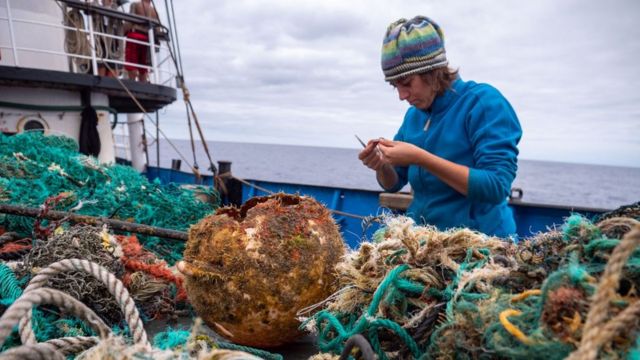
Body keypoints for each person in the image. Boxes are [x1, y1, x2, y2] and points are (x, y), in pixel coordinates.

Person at [359, 16, 522, 238]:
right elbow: (393, 183)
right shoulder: (413, 116)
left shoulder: (483, 103)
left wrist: (420, 158)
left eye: (406, 84)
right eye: (394, 85)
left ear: (433, 72)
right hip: (424, 240)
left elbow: (496, 187)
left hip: (478, 243)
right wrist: (381, 165)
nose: (401, 95)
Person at [124, 0, 158, 82]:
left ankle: (132, 83)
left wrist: (121, 32)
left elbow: (130, 21)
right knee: (143, 66)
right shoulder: (154, 11)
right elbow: (157, 29)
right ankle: (143, 84)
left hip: (135, 36)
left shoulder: (135, 5)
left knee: (131, 63)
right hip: (147, 40)